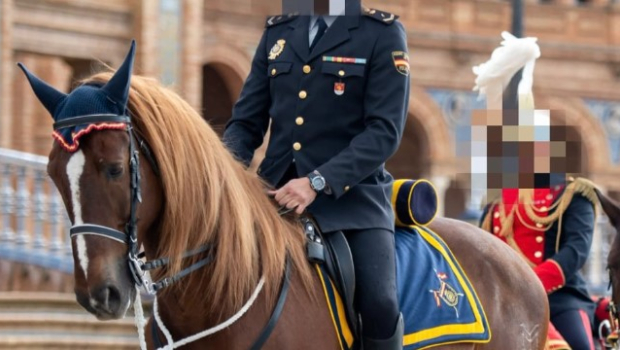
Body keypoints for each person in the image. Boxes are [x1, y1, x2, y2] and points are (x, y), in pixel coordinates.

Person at [222, 0, 410, 348]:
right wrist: (220, 174)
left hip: (353, 203)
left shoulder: (380, 33)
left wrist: (317, 182)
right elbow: (246, 124)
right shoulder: (279, 32)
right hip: (273, 197)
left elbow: (384, 132)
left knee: (380, 302)